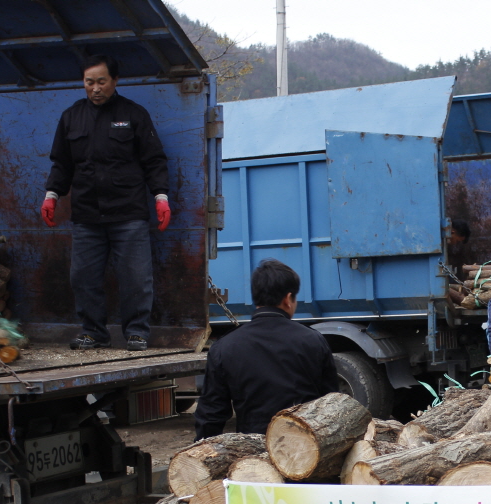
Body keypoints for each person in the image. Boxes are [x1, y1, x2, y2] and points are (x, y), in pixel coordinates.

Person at [42, 54, 171, 351]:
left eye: (102, 81)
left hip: (128, 214)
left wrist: (161, 197)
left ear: (115, 80)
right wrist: (51, 195)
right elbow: (62, 163)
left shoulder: (134, 114)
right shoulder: (71, 116)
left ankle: (136, 332)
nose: (95, 88)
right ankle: (94, 332)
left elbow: (154, 160)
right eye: (89, 82)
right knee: (82, 278)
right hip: (87, 215)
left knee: (136, 278)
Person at [194, 260, 339, 438]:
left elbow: (211, 413)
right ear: (288, 299)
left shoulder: (225, 347)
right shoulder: (313, 340)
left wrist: (202, 448)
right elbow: (332, 404)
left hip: (252, 448)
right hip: (305, 447)